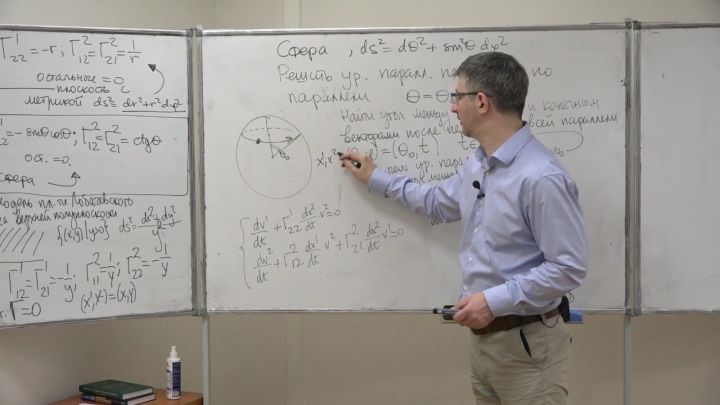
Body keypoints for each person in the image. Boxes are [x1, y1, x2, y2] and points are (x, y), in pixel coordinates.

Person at [339, 51, 588, 405]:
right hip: (485, 342)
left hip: (528, 345)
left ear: (481, 102)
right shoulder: (479, 164)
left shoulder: (541, 177)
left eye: (458, 97)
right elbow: (437, 201)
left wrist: (492, 301)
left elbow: (567, 267)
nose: (453, 107)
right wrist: (375, 177)